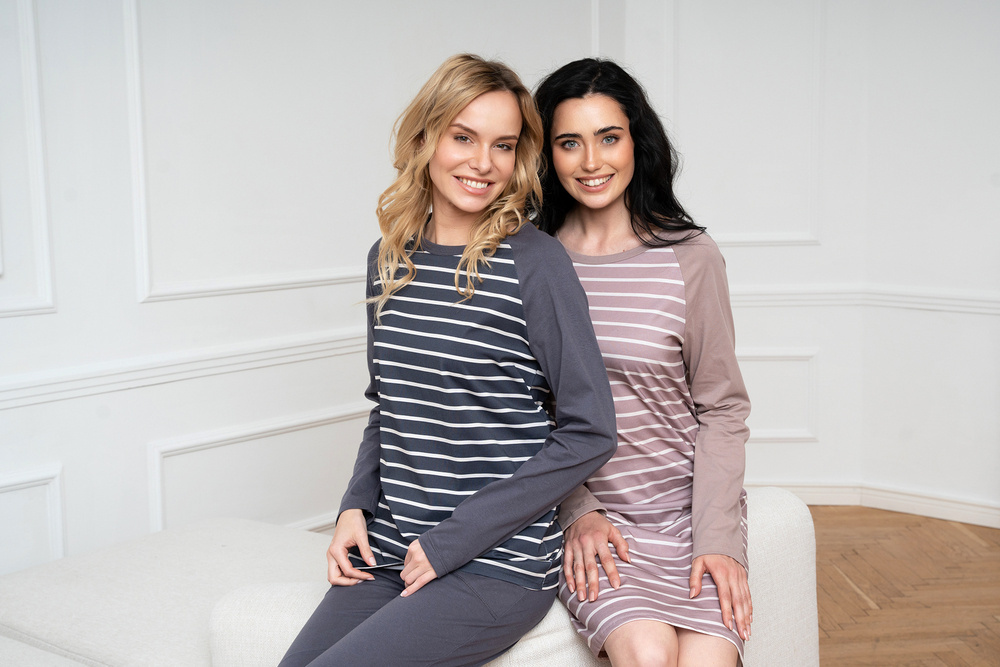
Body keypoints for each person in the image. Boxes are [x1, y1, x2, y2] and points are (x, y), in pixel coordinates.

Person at [277, 54, 617, 667]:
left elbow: (590, 431)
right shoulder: (388, 258)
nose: (483, 163)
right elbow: (388, 405)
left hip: (496, 565)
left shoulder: (536, 265)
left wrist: (453, 541)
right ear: (424, 140)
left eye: (503, 145)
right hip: (392, 549)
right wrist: (354, 506)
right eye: (463, 137)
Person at [533, 58, 753, 666]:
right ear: (547, 155)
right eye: (569, 143)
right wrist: (578, 511)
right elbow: (529, 414)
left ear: (637, 141)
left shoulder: (691, 256)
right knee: (648, 655)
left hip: (688, 515)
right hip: (598, 521)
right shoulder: (534, 263)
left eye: (609, 137)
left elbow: (723, 408)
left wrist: (718, 537)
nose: (591, 161)